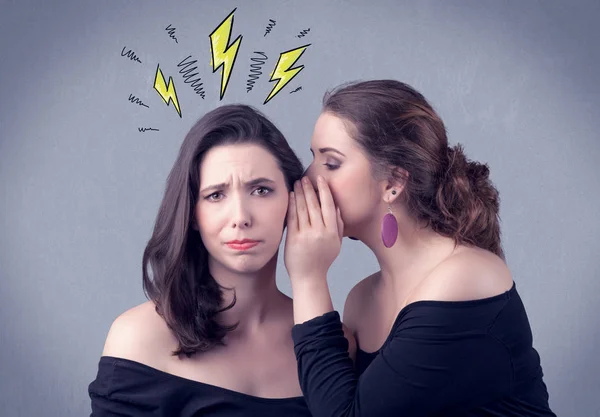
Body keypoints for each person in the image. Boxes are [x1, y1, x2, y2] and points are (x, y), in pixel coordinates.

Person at [284, 80, 557, 416]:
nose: (307, 179)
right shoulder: (361, 300)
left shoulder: (465, 277)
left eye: (331, 162)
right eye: (313, 158)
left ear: (394, 183)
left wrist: (308, 277)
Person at [88, 104, 323, 416]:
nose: (240, 217)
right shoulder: (139, 337)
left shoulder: (331, 342)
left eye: (261, 190)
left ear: (294, 201)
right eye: (215, 195)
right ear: (193, 214)